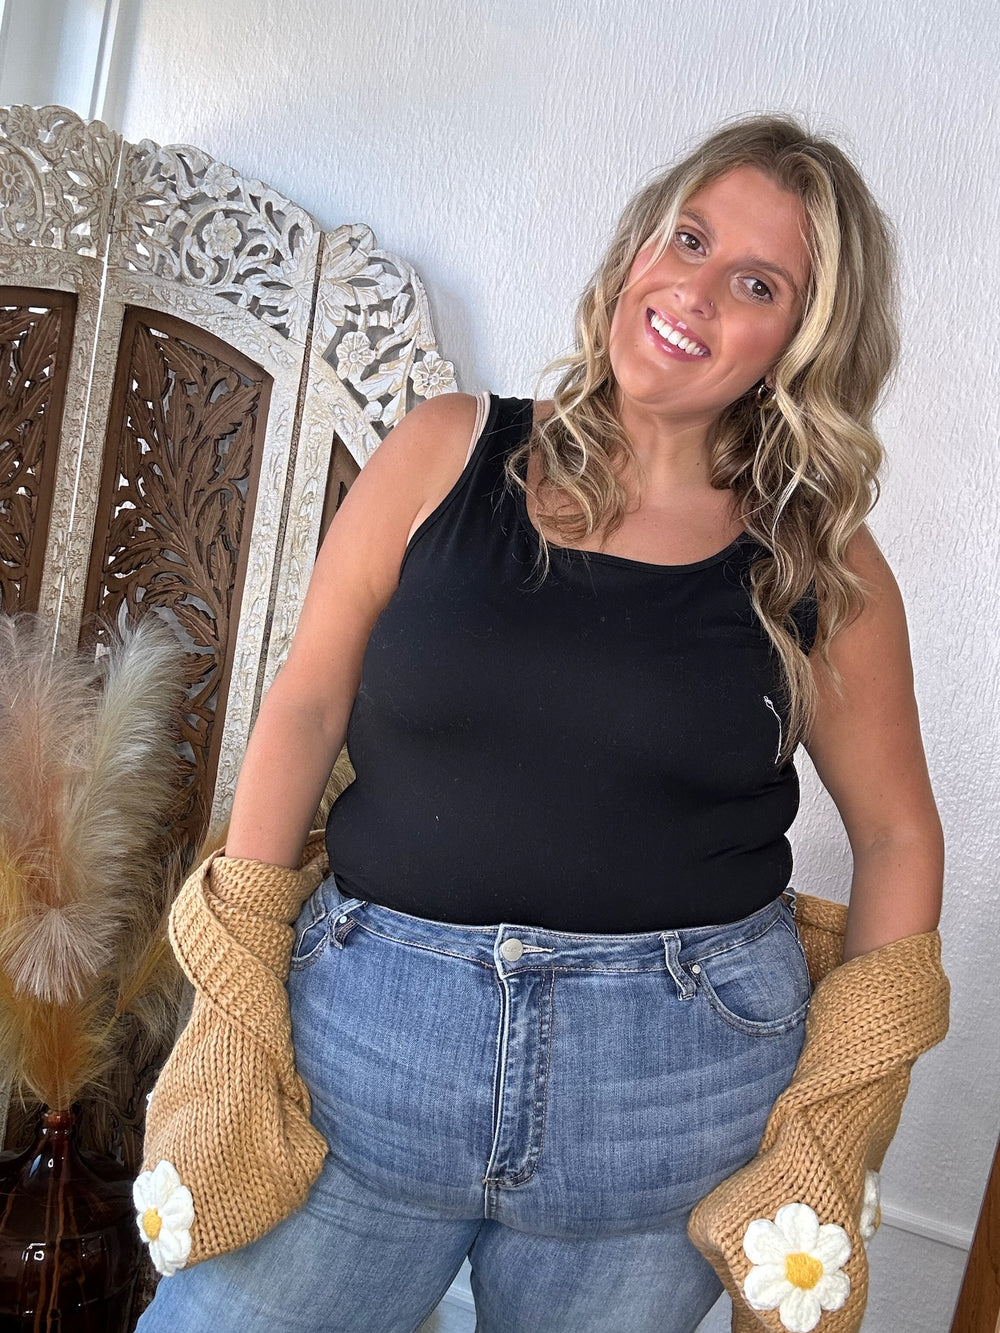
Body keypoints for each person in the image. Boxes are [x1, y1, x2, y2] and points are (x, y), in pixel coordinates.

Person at [136, 115, 943, 1333]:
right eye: (689, 239)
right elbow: (306, 699)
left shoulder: (818, 562)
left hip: (667, 1106)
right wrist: (240, 953)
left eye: (757, 284)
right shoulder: (444, 449)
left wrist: (843, 1108)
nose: (694, 290)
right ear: (638, 247)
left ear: (802, 343)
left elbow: (894, 834)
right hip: (360, 1066)